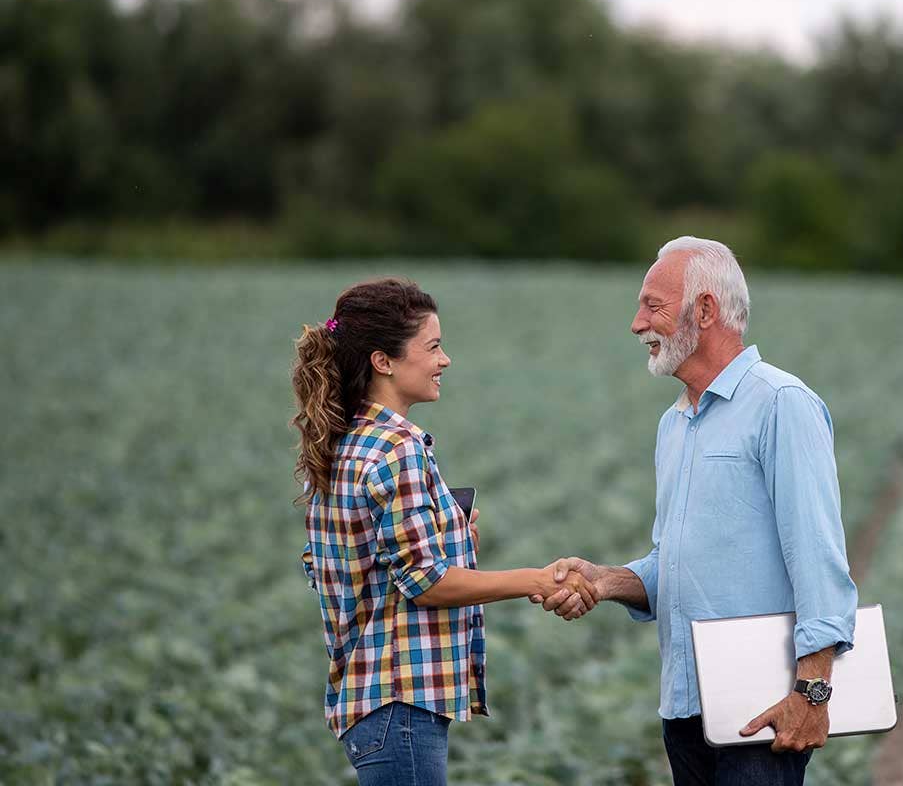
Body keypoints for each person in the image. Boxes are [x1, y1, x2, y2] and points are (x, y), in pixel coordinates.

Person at [537, 237, 858, 786]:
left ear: (705, 310)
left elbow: (817, 556)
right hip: (685, 711)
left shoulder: (781, 404)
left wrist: (812, 692)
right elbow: (677, 565)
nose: (637, 324)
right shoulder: (674, 424)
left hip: (763, 711)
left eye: (652, 305)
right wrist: (607, 580)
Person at [291, 278, 599, 786]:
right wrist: (537, 581)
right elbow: (424, 582)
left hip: (367, 699)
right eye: (433, 347)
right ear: (383, 361)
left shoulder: (345, 442)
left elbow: (359, 565)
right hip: (400, 701)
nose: (445, 359)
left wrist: (454, 539)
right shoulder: (398, 447)